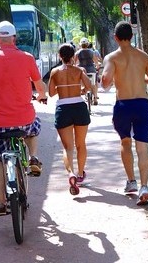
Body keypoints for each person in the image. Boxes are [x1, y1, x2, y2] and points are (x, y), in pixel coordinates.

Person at [0, 21, 48, 215]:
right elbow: (40, 87)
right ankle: (33, 157)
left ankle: (0, 202)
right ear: (14, 38)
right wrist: (42, 96)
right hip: (23, 120)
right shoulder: (27, 57)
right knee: (34, 128)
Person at [101, 21, 148, 206]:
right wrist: (138, 78)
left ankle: (131, 181)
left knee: (125, 142)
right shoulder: (143, 56)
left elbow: (105, 81)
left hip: (123, 105)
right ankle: (144, 186)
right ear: (132, 37)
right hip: (142, 104)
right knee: (142, 147)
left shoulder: (112, 58)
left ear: (116, 38)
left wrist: (114, 80)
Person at [48, 44, 92, 194]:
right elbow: (89, 86)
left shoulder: (55, 72)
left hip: (63, 108)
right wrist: (81, 89)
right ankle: (80, 173)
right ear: (74, 56)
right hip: (79, 107)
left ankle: (70, 173)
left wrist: (62, 87)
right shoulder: (80, 70)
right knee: (81, 144)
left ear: (60, 56)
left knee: (68, 147)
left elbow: (51, 93)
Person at [74, 37, 100, 105]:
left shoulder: (77, 53)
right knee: (93, 84)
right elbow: (96, 61)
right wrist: (97, 66)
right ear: (87, 44)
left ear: (80, 45)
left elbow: (74, 63)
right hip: (91, 69)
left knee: (82, 83)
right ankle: (95, 98)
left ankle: (84, 91)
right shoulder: (92, 52)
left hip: (82, 71)